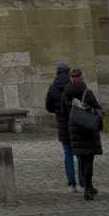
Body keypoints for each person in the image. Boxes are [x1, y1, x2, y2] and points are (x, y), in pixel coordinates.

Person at [61, 67, 104, 201]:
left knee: (82, 159)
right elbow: (98, 109)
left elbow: (62, 112)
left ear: (71, 78)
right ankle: (87, 188)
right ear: (81, 78)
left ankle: (88, 186)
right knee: (88, 161)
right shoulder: (87, 92)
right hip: (88, 130)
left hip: (75, 130)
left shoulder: (66, 93)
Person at [45, 60, 79, 190]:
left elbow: (48, 106)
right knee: (81, 154)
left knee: (68, 153)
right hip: (77, 123)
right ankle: (83, 181)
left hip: (63, 124)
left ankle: (72, 183)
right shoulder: (74, 85)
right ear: (68, 71)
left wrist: (58, 111)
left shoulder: (53, 88)